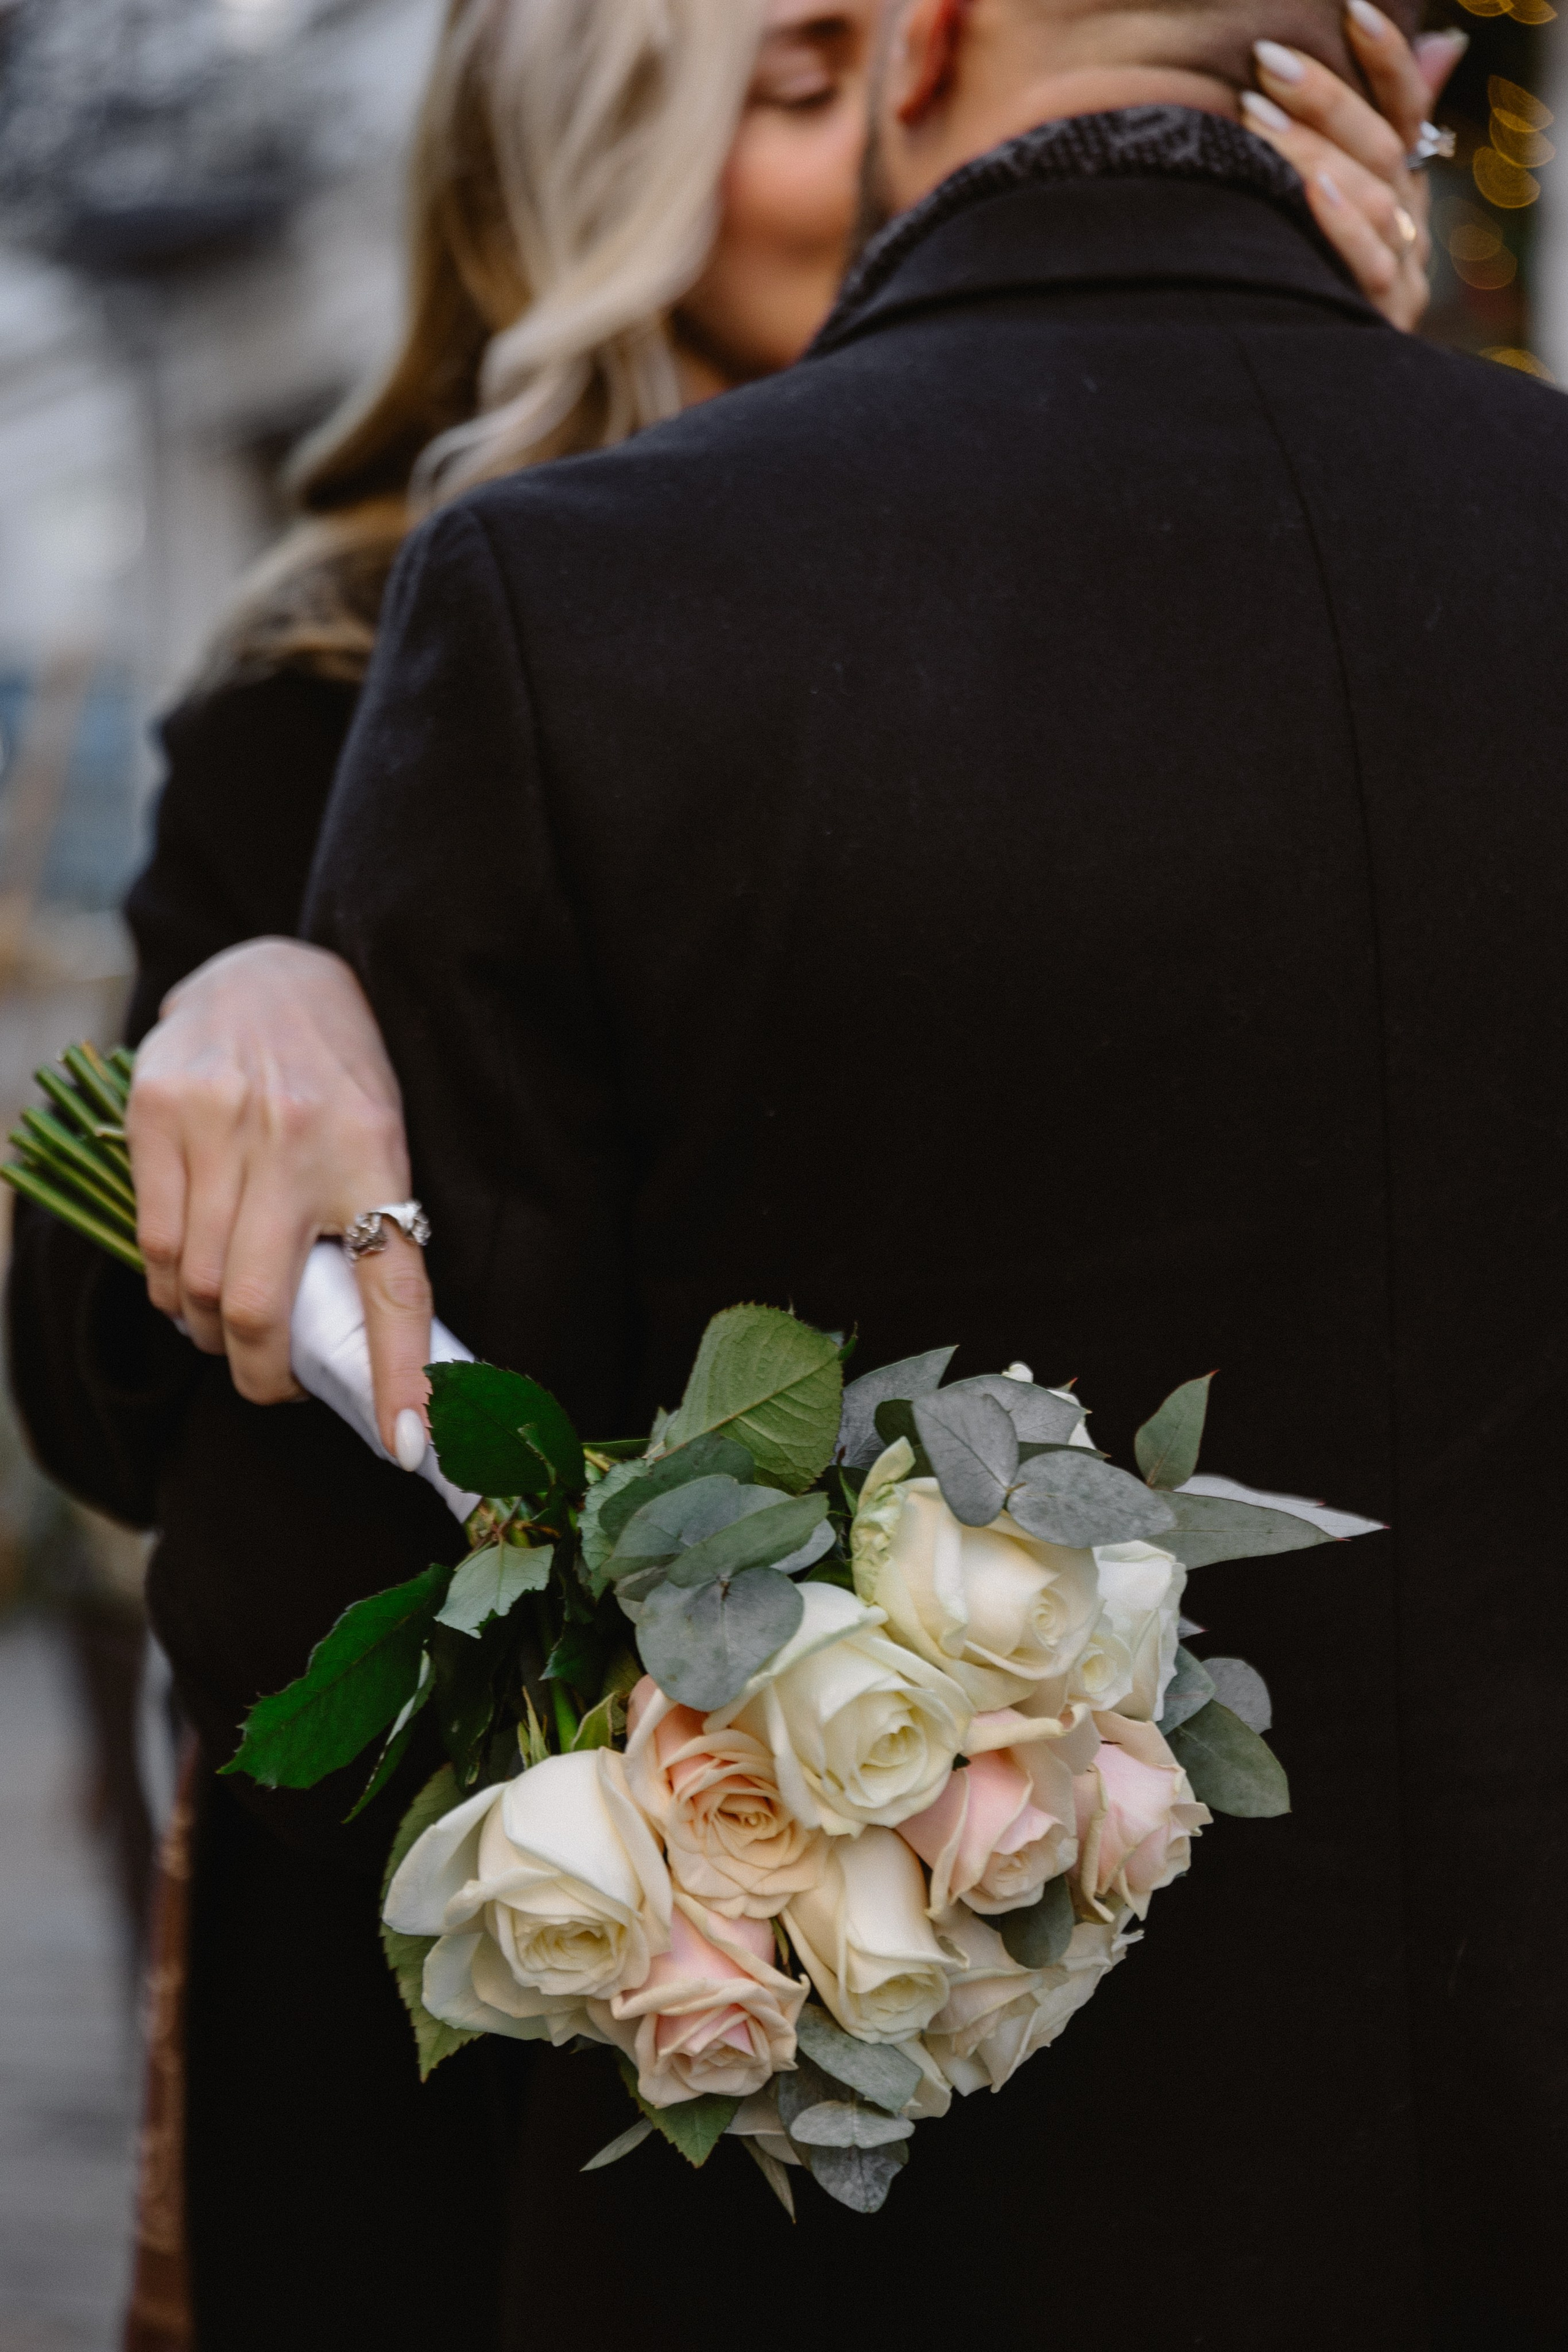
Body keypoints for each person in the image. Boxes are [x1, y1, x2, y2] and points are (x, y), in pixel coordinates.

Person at [3, 1, 1463, 2346]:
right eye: (788, 88)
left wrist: (1265, 361)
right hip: (546, 2036)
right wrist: (243, 988)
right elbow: (161, 1435)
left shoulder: (1004, 567)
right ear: (585, 186)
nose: (890, 120)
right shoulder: (354, 671)